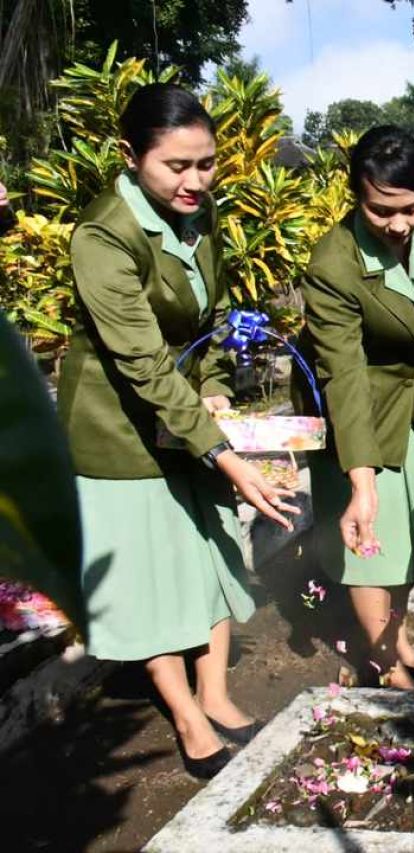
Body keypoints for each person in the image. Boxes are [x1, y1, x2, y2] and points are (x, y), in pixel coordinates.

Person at [57, 83, 299, 779]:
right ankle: (188, 715)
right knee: (153, 572)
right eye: (177, 166)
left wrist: (216, 385)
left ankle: (215, 692)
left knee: (212, 551)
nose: (195, 180)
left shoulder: (199, 213)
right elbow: (141, 361)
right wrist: (224, 454)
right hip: (119, 425)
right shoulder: (104, 235)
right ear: (130, 156)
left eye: (207, 164)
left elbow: (216, 316)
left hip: (188, 412)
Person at [297, 125, 414, 690]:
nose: (398, 224)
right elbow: (342, 373)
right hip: (356, 403)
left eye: (410, 208)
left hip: (408, 393)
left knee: (406, 529)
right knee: (373, 536)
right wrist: (361, 479)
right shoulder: (333, 264)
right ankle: (387, 664)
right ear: (355, 198)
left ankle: (401, 642)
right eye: (380, 211)